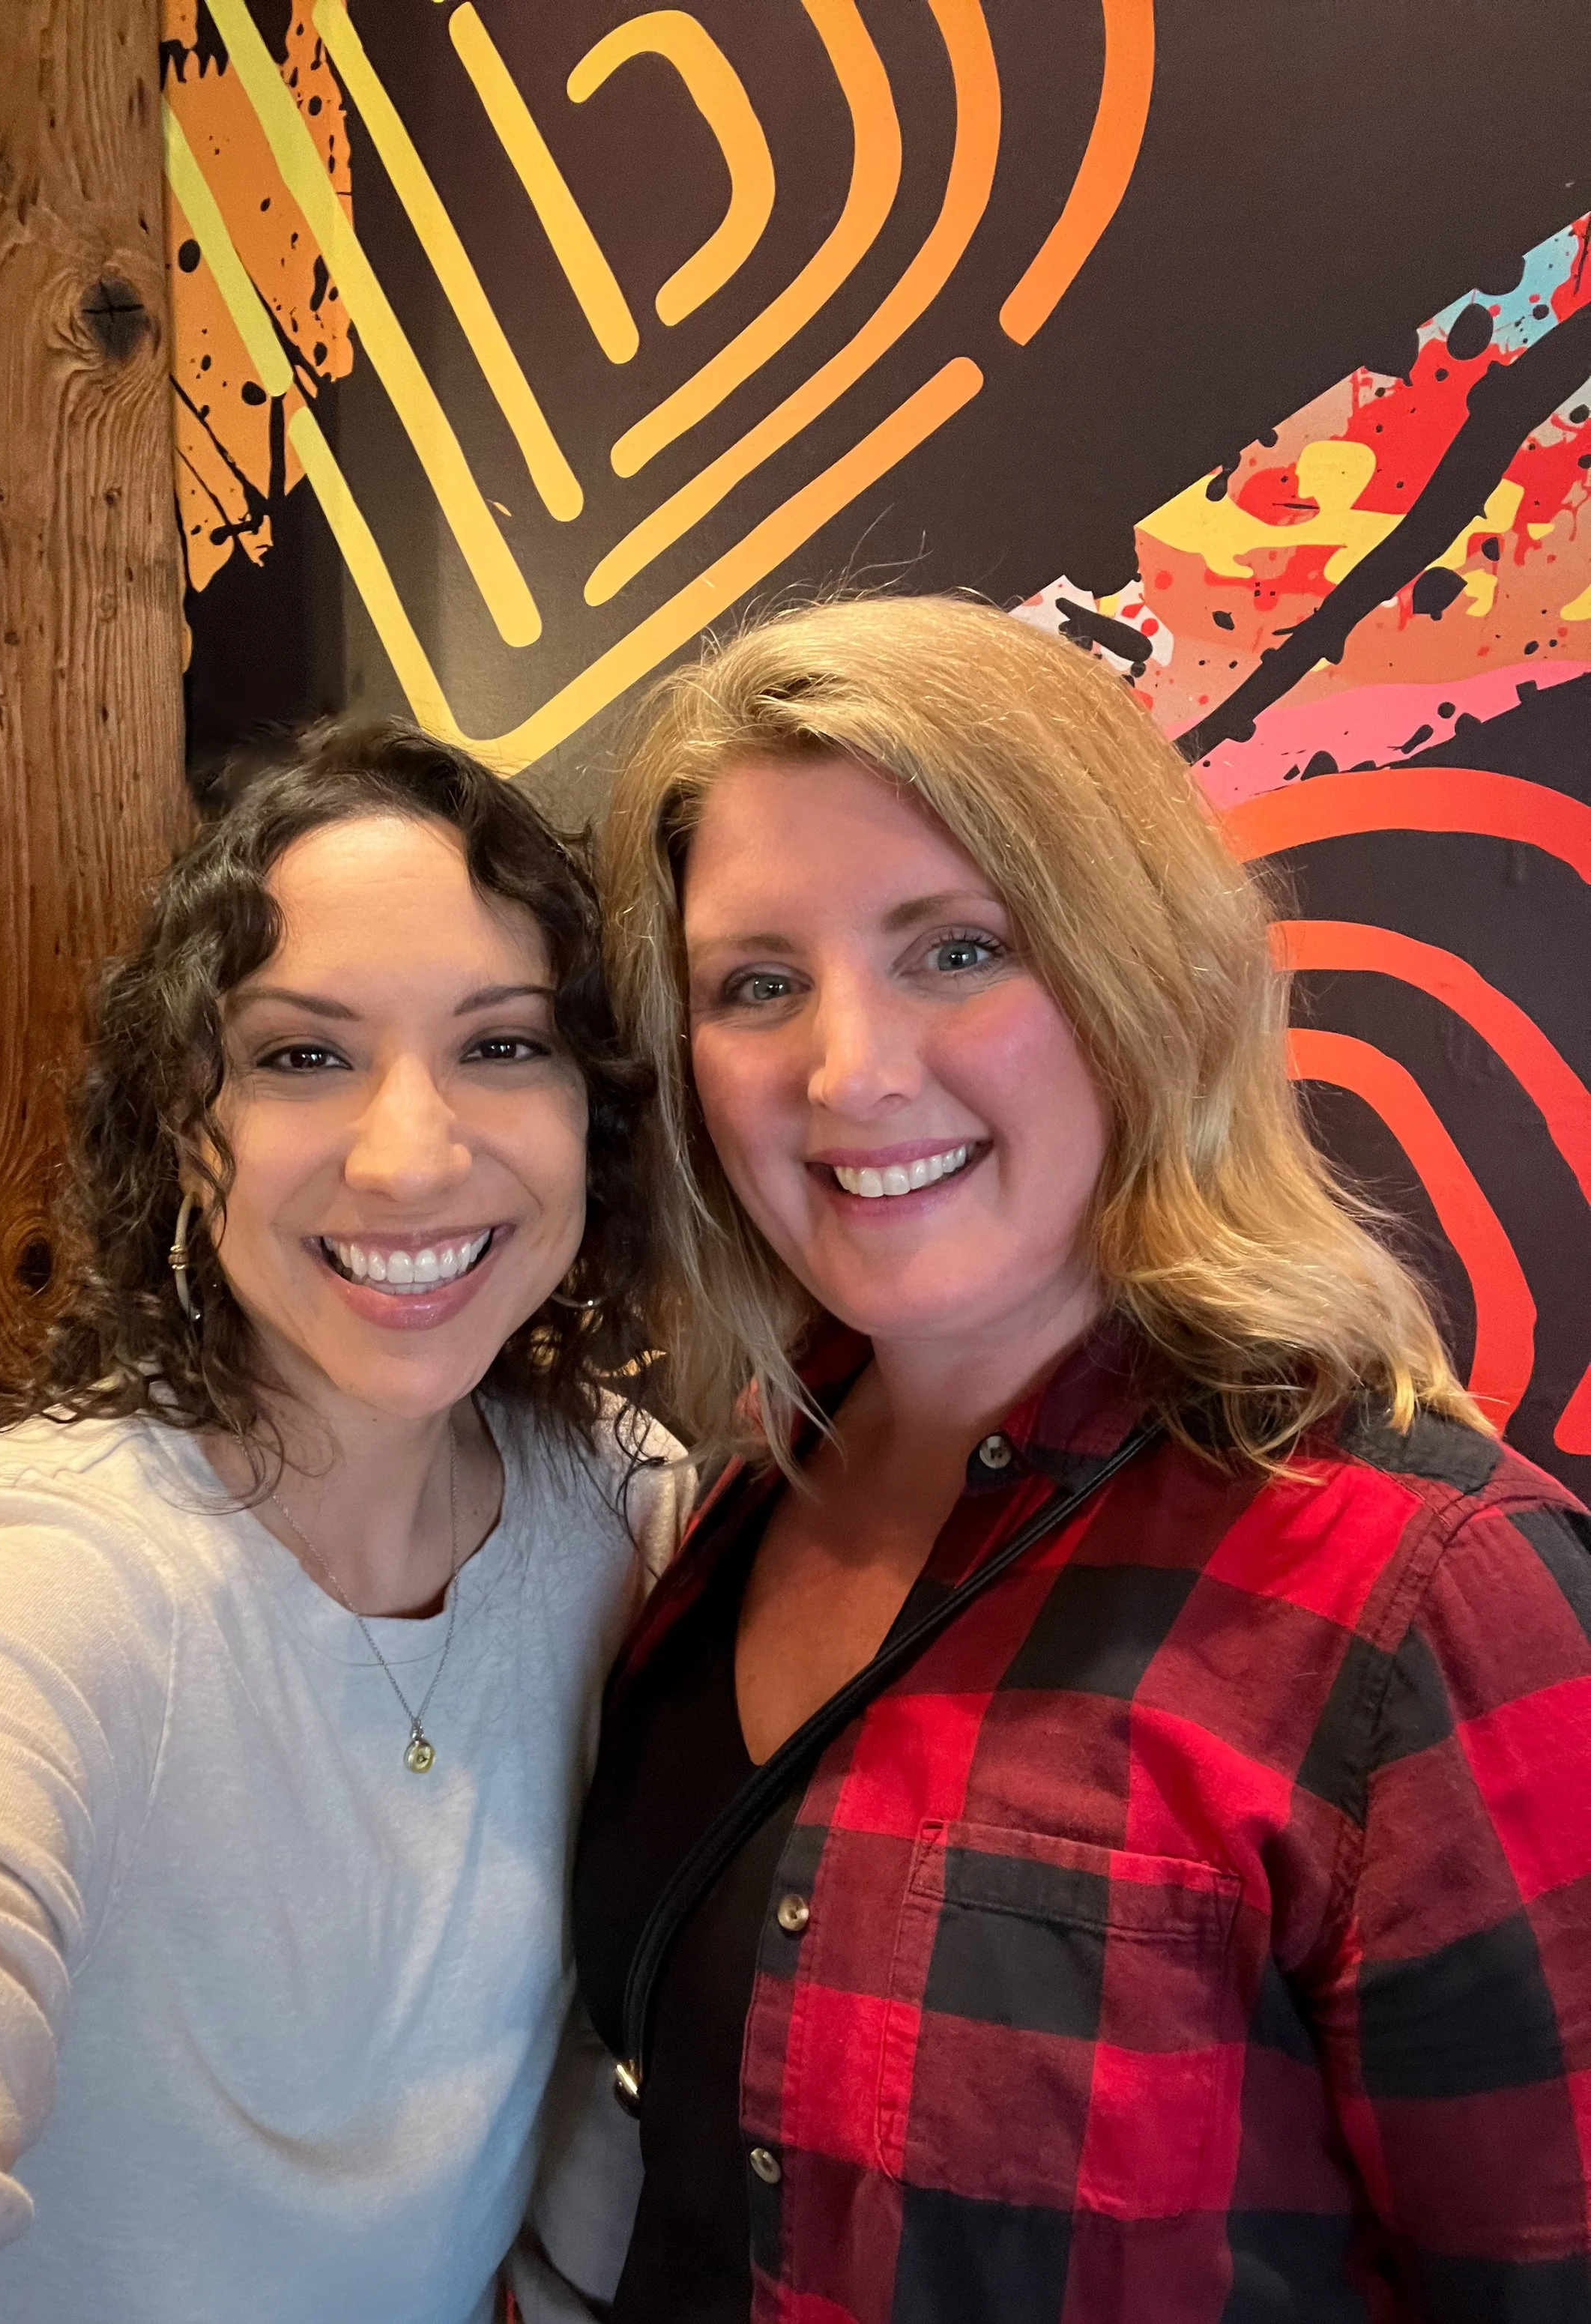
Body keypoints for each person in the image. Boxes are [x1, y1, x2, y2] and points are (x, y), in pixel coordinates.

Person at [567, 597, 1591, 2323]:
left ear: (1135, 973)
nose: (848, 1072)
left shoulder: (1428, 1598)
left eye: (954, 951)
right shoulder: (739, 1492)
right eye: (757, 984)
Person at [0, 721, 686, 2324]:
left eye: (503, 1045)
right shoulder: (29, 1570)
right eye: (302, 1056)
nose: (411, 1157)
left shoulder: (624, 1509)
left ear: (593, 1111)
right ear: (186, 1135)